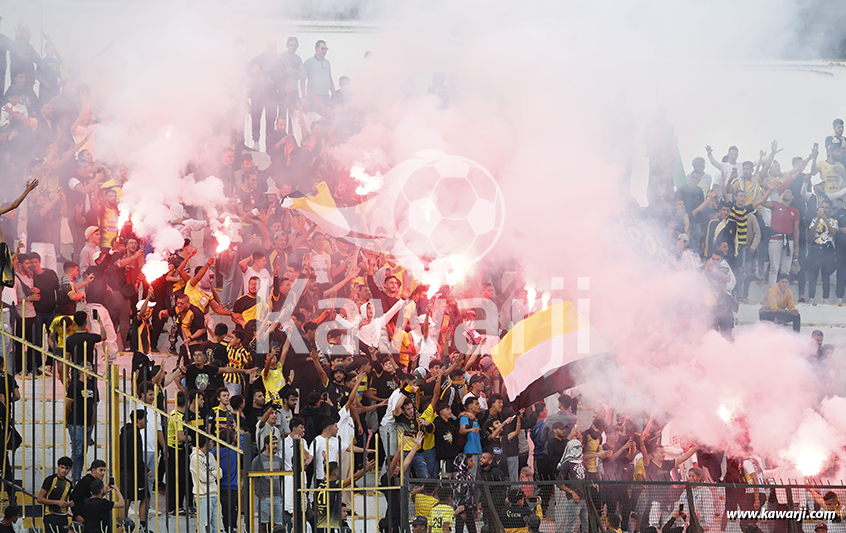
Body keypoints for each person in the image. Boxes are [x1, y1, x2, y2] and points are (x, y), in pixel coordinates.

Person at [315, 458, 375, 533]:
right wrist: (365, 469)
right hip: (331, 526)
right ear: (335, 473)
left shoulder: (321, 484)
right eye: (338, 470)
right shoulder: (333, 485)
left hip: (320, 526)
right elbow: (353, 478)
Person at [65, 361, 98, 482]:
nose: (91, 373)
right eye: (89, 370)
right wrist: (67, 421)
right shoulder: (75, 386)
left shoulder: (91, 387)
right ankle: (75, 478)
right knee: (78, 452)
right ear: (82, 371)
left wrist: (91, 425)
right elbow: (68, 406)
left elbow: (93, 407)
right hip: (77, 424)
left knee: (82, 452)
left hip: (87, 425)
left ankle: (77, 477)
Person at [118, 409, 149, 529]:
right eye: (144, 419)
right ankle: (140, 526)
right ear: (138, 420)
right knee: (135, 497)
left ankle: (122, 525)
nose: (146, 421)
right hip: (131, 469)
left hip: (126, 468)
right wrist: (144, 469)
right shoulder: (133, 433)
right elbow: (135, 454)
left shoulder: (126, 431)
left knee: (128, 497)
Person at [252, 434, 285, 533]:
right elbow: (254, 478)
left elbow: (282, 478)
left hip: (277, 496)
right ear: (266, 445)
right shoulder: (258, 459)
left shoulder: (279, 460)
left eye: (276, 443)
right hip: (265, 496)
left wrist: (281, 494)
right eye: (273, 443)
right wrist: (260, 495)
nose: (275, 446)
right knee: (263, 524)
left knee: (277, 525)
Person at [191, 434, 223, 533]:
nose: (213, 443)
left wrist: (211, 473)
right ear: (206, 443)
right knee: (203, 525)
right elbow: (204, 478)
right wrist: (214, 474)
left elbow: (220, 473)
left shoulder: (211, 456)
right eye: (212, 441)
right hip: (202, 496)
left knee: (218, 526)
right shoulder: (195, 457)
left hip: (214, 494)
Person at [37, 456, 74, 533]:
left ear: (70, 469)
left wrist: (68, 504)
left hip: (63, 516)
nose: (64, 470)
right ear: (58, 467)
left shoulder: (69, 483)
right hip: (50, 515)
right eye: (62, 467)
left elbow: (65, 500)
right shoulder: (50, 479)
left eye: (66, 468)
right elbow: (40, 499)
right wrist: (57, 502)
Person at [69, 459, 106, 523]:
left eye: (104, 470)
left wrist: (104, 493)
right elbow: (73, 497)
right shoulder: (86, 481)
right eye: (101, 470)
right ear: (93, 470)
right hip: (82, 518)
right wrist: (77, 515)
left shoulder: (97, 482)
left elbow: (94, 500)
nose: (103, 473)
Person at [303, 40, 334, 107]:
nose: (324, 51)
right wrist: (304, 96)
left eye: (326, 49)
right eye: (322, 49)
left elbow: (330, 79)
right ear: (316, 49)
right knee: (316, 116)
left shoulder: (327, 62)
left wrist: (334, 94)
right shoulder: (309, 62)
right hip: (314, 95)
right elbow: (303, 79)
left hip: (326, 95)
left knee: (327, 115)